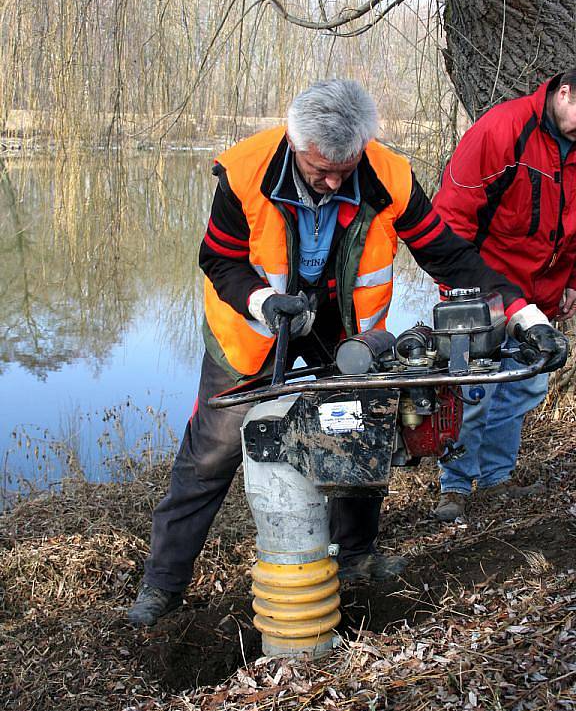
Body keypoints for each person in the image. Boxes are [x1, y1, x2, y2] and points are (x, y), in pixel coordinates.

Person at [128, 79, 566, 626]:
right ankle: (162, 587)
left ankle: (355, 554)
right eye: (320, 170)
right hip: (255, 328)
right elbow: (217, 260)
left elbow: (450, 257)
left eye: (345, 168)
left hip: (345, 328)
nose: (334, 180)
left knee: (360, 431)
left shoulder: (390, 174)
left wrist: (525, 315)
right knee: (211, 454)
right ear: (293, 143)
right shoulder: (243, 173)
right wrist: (265, 302)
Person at [432, 69, 575, 522]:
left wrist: (573, 281)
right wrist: (456, 290)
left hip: (542, 296)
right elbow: (450, 217)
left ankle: (496, 478)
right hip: (483, 292)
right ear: (565, 92)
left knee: (521, 388)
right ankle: (455, 486)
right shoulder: (502, 129)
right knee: (471, 392)